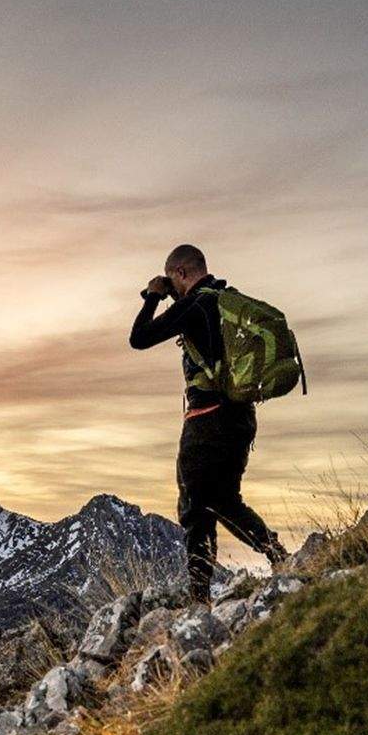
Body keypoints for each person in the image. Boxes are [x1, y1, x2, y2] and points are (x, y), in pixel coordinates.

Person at [129, 243, 287, 605]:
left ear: (181, 273)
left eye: (173, 279)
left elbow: (139, 338)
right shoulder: (223, 300)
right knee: (225, 500)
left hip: (206, 422)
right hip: (240, 417)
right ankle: (275, 552)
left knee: (195, 507)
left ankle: (198, 598)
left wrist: (154, 297)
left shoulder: (195, 304)